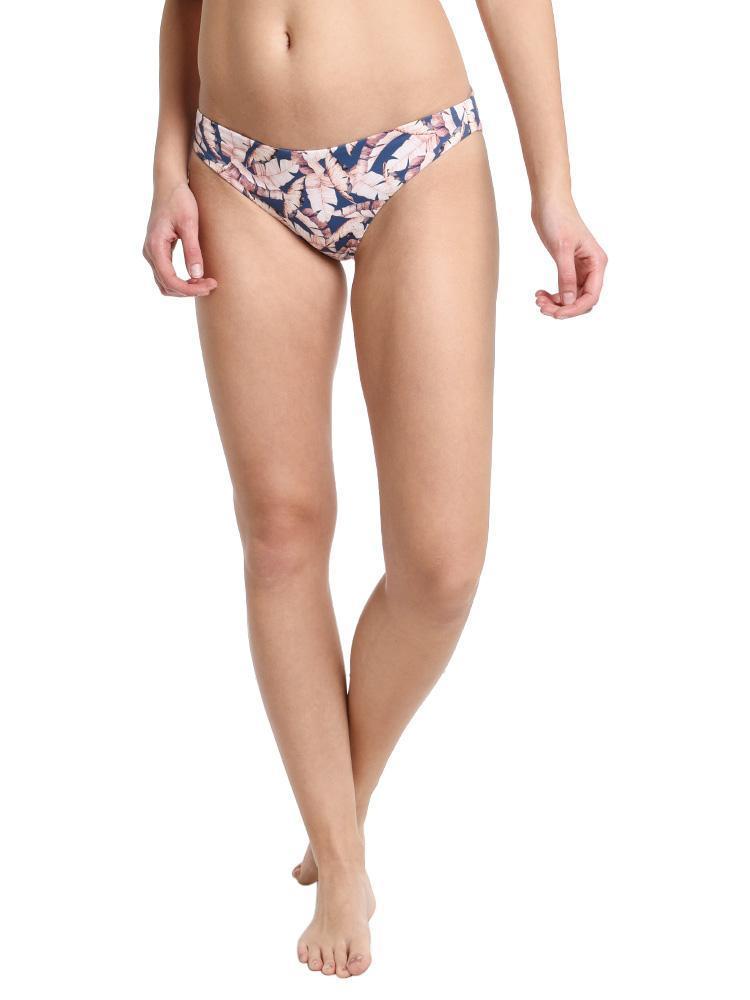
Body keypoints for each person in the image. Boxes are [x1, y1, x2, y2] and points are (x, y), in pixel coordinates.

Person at [143, 0, 607, 979]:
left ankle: (340, 801)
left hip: (415, 152)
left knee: (441, 568)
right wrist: (166, 164)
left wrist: (554, 187)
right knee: (280, 533)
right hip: (236, 166)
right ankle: (344, 866)